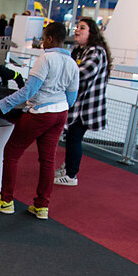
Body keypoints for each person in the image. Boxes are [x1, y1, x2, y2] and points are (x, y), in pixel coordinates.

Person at [0, 21, 79, 220]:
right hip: (60, 113)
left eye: (43, 38)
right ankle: (42, 206)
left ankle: (6, 200)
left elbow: (29, 91)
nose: (42, 42)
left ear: (50, 38)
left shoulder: (46, 59)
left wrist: (1, 104)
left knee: (12, 152)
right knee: (48, 160)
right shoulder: (72, 63)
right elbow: (72, 97)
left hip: (40, 112)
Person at [54, 17, 111, 187]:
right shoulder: (80, 51)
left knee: (74, 138)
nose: (77, 30)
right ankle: (68, 169)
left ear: (91, 32)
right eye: (77, 27)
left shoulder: (96, 52)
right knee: (72, 137)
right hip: (79, 105)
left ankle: (71, 174)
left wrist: (59, 75)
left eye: (82, 28)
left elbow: (81, 73)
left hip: (86, 107)